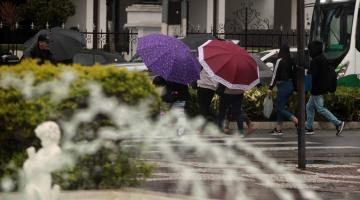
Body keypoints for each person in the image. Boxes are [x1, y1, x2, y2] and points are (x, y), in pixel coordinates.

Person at [305, 41, 345, 136]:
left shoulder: (315, 60)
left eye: (310, 49)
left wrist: (306, 88)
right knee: (309, 107)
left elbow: (312, 76)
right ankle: (309, 127)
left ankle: (338, 123)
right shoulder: (323, 58)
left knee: (320, 108)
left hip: (317, 88)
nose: (309, 51)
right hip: (321, 87)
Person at [267, 44, 298, 135]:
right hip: (290, 86)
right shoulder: (291, 61)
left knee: (279, 107)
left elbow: (275, 75)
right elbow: (294, 75)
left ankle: (295, 120)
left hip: (283, 86)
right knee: (281, 106)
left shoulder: (279, 60)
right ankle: (278, 129)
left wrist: (270, 87)